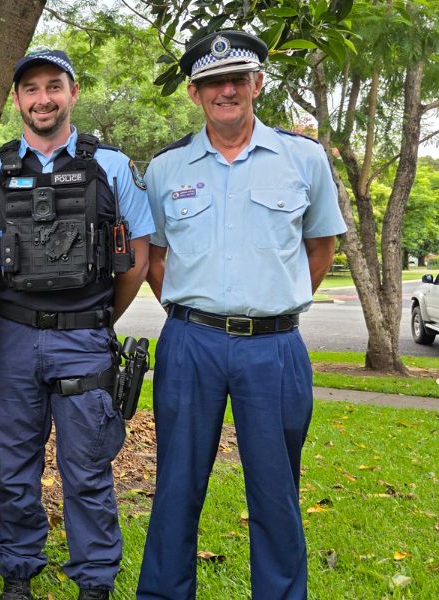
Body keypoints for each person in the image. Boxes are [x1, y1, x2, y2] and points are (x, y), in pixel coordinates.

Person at [135, 31, 345, 600]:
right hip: (189, 342)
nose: (225, 90)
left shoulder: (304, 159)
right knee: (176, 484)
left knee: (276, 490)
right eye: (211, 82)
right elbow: (154, 257)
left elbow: (320, 246)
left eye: (236, 79)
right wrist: (192, 311)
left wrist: (271, 301)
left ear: (256, 83)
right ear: (194, 93)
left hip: (274, 348)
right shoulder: (166, 168)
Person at [0, 50, 155, 600]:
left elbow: (137, 259)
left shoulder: (112, 168)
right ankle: (17, 576)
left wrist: (96, 321)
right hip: (14, 339)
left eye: (53, 86)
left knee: (89, 469)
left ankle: (94, 582)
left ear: (72, 92)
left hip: (86, 338)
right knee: (14, 468)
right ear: (17, 99)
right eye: (30, 89)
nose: (42, 98)